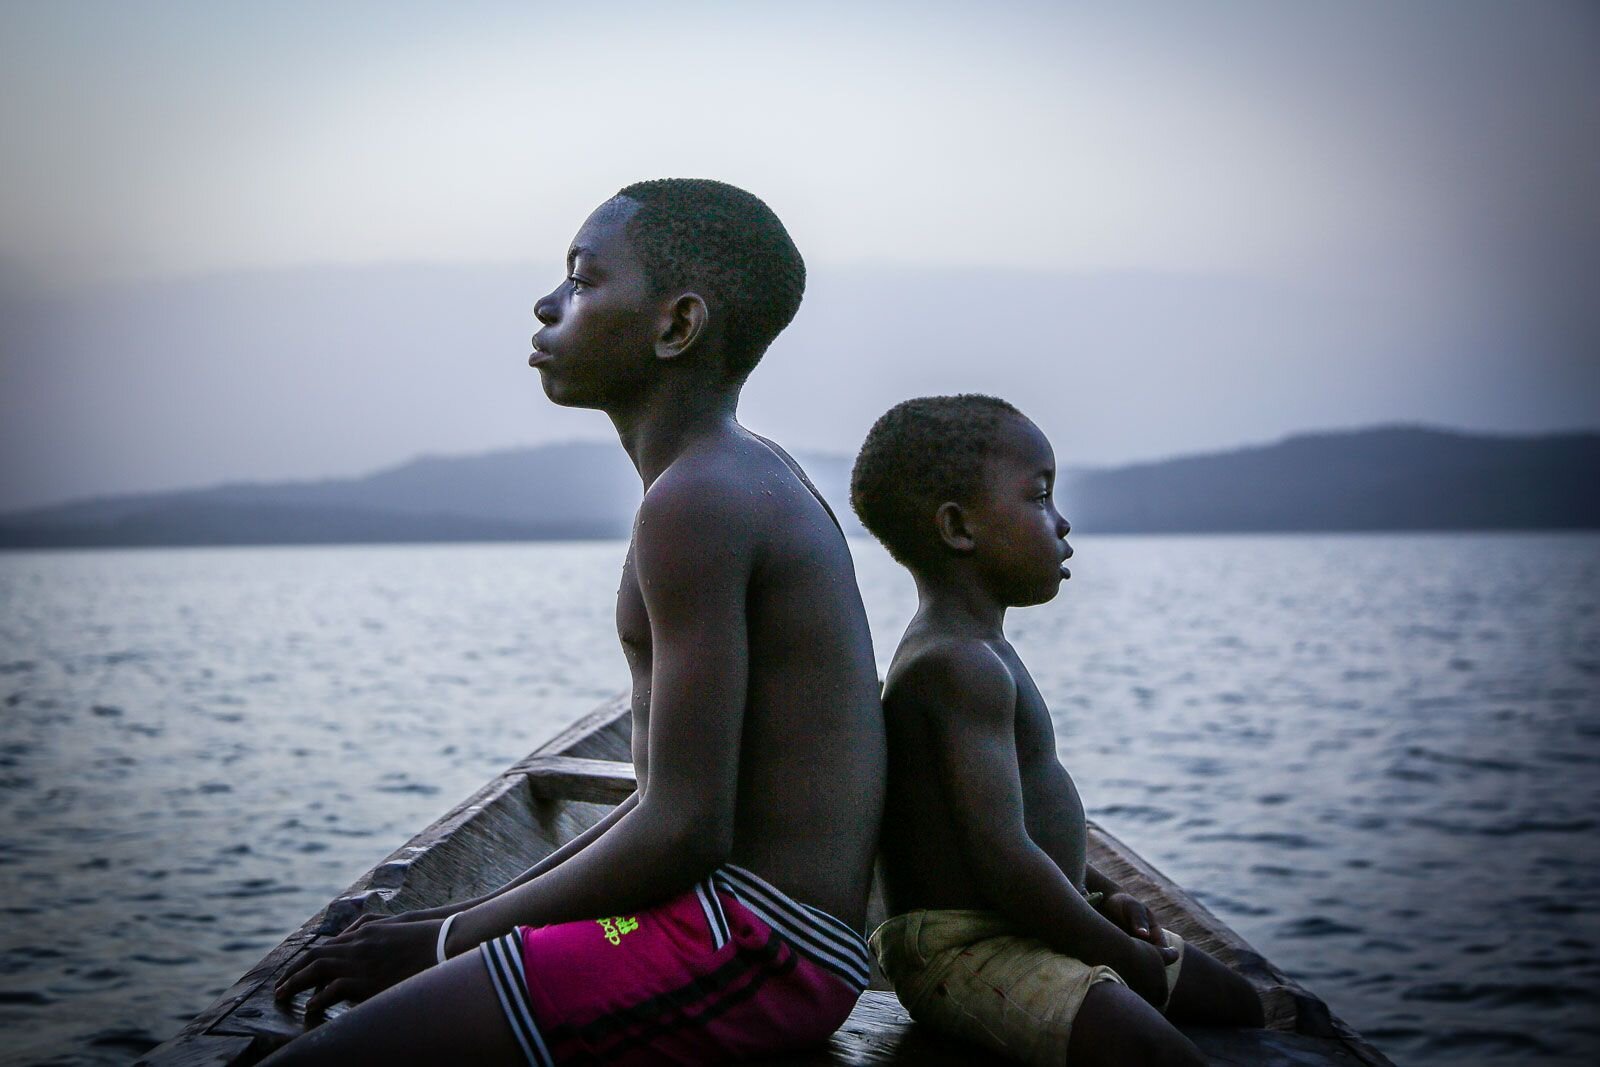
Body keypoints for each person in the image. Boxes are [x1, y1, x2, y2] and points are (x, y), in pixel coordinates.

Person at [266, 179, 887, 1065]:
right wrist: (455, 924)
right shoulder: (728, 476)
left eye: (582, 280)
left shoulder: (699, 501)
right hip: (746, 928)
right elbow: (662, 807)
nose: (547, 303)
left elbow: (683, 828)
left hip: (756, 945)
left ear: (676, 327)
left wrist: (441, 944)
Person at [849, 395, 1263, 1067]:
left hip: (1029, 918)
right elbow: (1004, 857)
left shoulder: (980, 650)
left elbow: (1010, 827)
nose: (1064, 523)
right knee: (1154, 1050)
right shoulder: (954, 664)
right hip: (967, 949)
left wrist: (1104, 892)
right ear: (959, 527)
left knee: (1238, 1002)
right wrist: (1119, 950)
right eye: (1040, 497)